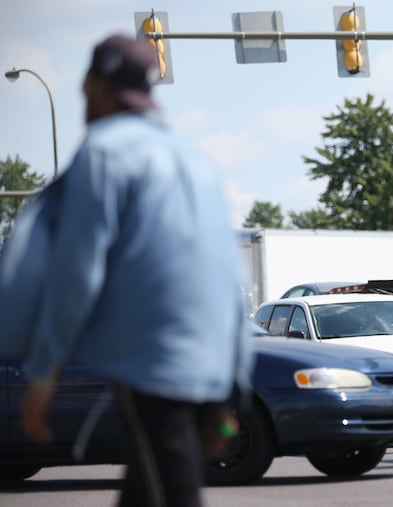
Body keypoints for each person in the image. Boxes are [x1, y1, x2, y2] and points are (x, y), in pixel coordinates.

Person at [10, 34, 245, 507]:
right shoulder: (195, 161)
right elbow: (226, 279)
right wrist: (231, 394)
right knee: (149, 487)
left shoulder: (102, 152)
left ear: (97, 87)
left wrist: (42, 372)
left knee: (167, 491)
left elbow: (77, 272)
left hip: (151, 363)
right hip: (208, 359)